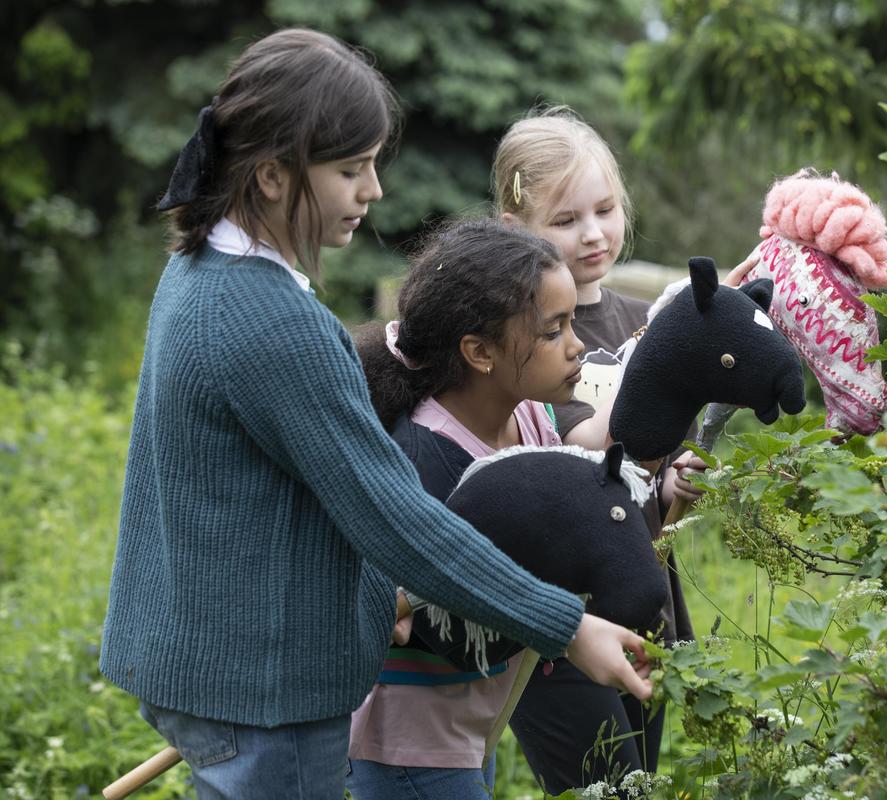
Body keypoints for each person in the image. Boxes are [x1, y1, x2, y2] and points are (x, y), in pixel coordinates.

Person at [98, 30, 650, 800]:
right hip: (268, 692)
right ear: (271, 176)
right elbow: (393, 516)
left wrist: (365, 599)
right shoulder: (271, 323)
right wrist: (568, 625)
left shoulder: (198, 271)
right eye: (351, 169)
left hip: (204, 661)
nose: (374, 191)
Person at [492, 107, 756, 792]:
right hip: (563, 611)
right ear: (515, 228)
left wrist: (676, 486)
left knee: (638, 780)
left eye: (605, 210)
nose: (593, 233)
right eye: (565, 219)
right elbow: (580, 448)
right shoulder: (522, 334)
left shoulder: (641, 318)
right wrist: (668, 349)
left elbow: (652, 473)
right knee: (602, 783)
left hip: (645, 595)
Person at [345, 217, 584, 799]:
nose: (576, 345)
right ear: (479, 352)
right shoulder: (425, 462)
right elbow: (434, 610)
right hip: (412, 742)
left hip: (470, 722)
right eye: (553, 331)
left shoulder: (529, 416)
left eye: (572, 322)